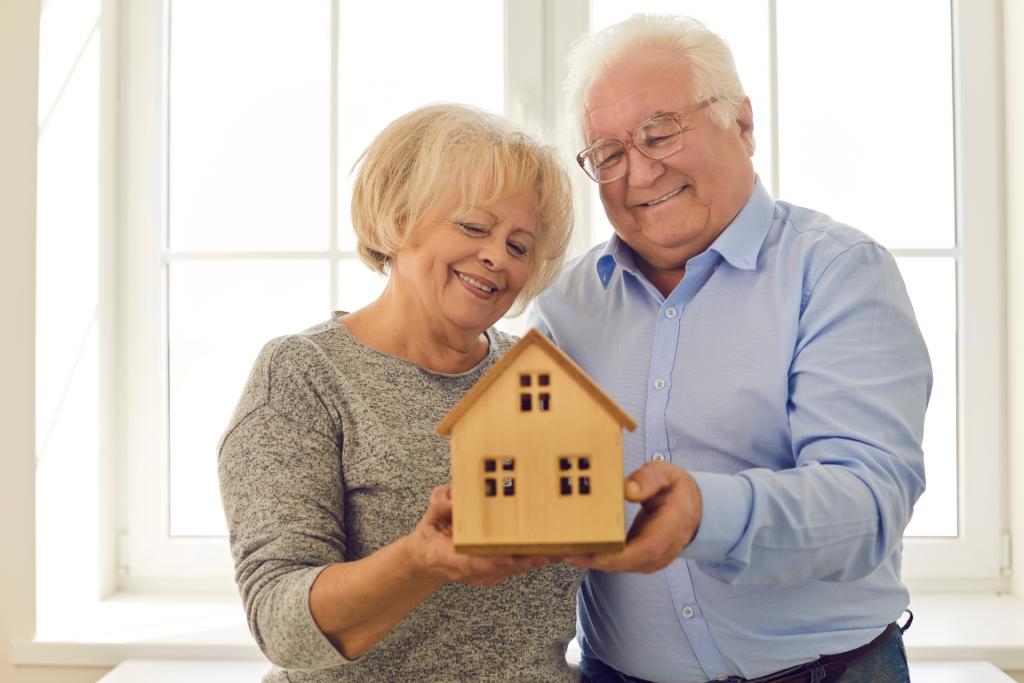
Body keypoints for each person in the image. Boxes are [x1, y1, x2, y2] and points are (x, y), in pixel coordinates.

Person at [529, 14, 931, 683]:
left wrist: (705, 515)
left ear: (741, 124)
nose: (640, 171)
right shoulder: (564, 309)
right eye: (608, 154)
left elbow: (869, 499)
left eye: (660, 132)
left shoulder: (836, 273)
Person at [218, 103, 582, 682]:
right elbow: (282, 628)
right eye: (473, 226)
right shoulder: (303, 376)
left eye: (519, 245)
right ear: (398, 215)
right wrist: (420, 558)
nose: (496, 256)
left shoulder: (538, 376)